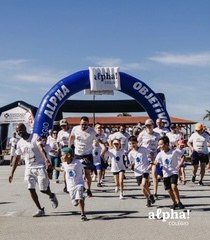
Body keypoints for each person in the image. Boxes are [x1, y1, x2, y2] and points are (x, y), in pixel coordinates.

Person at [8, 123, 58, 217]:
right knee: (30, 189)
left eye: (21, 130)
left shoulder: (35, 137)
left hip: (40, 167)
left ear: (25, 128)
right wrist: (12, 173)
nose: (19, 132)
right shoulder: (19, 143)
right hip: (29, 169)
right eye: (18, 131)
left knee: (43, 189)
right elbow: (17, 158)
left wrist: (46, 159)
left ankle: (51, 195)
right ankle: (40, 209)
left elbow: (40, 149)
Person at [54, 147, 95, 221]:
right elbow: (61, 169)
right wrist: (53, 167)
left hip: (79, 184)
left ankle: (83, 214)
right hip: (70, 187)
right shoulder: (64, 164)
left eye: (63, 155)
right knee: (75, 203)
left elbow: (92, 166)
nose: (61, 157)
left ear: (69, 155)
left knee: (79, 198)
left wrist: (88, 162)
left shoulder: (78, 162)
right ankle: (82, 199)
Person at [68, 116, 104, 197]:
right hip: (77, 154)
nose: (83, 126)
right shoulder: (75, 129)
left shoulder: (92, 132)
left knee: (87, 173)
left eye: (85, 125)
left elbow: (99, 140)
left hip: (87, 154)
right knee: (77, 173)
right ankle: (79, 187)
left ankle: (89, 189)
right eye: (82, 124)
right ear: (79, 123)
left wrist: (103, 147)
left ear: (88, 124)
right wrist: (69, 147)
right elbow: (71, 137)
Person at [154, 135, 185, 210]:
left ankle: (179, 201)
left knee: (173, 186)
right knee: (168, 189)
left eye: (161, 144)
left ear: (167, 144)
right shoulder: (160, 154)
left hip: (173, 172)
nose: (160, 146)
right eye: (159, 145)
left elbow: (183, 156)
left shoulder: (174, 152)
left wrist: (180, 164)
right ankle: (174, 202)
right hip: (165, 173)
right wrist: (155, 163)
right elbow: (156, 161)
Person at [127, 136, 155, 207]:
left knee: (143, 184)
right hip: (137, 172)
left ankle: (151, 196)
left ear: (137, 143)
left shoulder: (143, 149)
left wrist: (151, 163)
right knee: (143, 188)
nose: (132, 145)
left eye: (133, 143)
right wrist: (130, 164)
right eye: (130, 144)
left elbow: (151, 153)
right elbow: (132, 162)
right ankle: (148, 199)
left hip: (145, 169)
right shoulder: (131, 153)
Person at [138, 118, 160, 199]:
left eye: (149, 125)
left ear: (153, 125)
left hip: (154, 156)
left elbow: (160, 144)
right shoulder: (142, 134)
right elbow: (138, 144)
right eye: (146, 125)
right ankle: (148, 187)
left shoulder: (157, 134)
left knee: (154, 173)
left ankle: (155, 193)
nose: (148, 127)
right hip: (145, 157)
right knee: (146, 176)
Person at [56, 119, 72, 192]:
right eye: (62, 126)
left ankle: (73, 183)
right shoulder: (60, 133)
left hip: (71, 148)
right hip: (63, 148)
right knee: (65, 168)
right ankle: (66, 185)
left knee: (72, 167)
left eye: (64, 125)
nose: (63, 127)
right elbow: (57, 141)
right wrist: (58, 148)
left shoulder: (71, 131)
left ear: (67, 125)